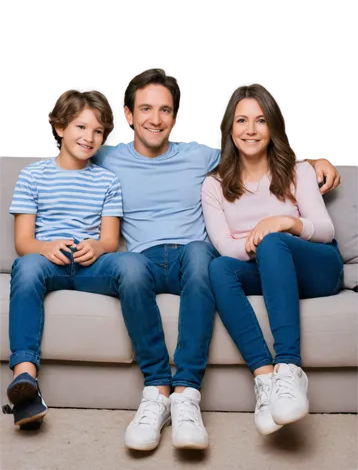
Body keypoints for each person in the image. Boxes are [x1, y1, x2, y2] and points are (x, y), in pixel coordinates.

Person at [90, 67, 341, 450]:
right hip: (176, 261)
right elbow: (70, 158)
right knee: (216, 265)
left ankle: (251, 377)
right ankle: (249, 381)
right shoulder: (117, 161)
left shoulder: (209, 157)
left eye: (165, 111)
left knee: (231, 251)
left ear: (177, 118)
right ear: (127, 115)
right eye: (145, 109)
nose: (155, 120)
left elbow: (260, 153)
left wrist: (314, 169)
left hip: (296, 262)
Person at [201, 81, 344, 436]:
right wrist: (258, 240)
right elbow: (222, 246)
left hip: (318, 269)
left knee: (274, 243)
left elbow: (325, 230)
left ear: (273, 128)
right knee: (219, 268)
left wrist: (283, 223)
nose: (250, 130)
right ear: (229, 128)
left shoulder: (300, 171)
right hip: (265, 267)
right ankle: (266, 381)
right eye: (242, 121)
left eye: (261, 121)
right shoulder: (214, 185)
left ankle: (290, 370)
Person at [2, 87, 123, 429]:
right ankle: (24, 377)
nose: (89, 137)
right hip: (46, 262)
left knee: (132, 267)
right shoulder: (33, 175)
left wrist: (98, 247)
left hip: (90, 265)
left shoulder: (107, 180)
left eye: (98, 131)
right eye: (81, 127)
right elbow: (23, 241)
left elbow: (110, 240)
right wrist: (44, 247)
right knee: (24, 268)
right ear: (59, 128)